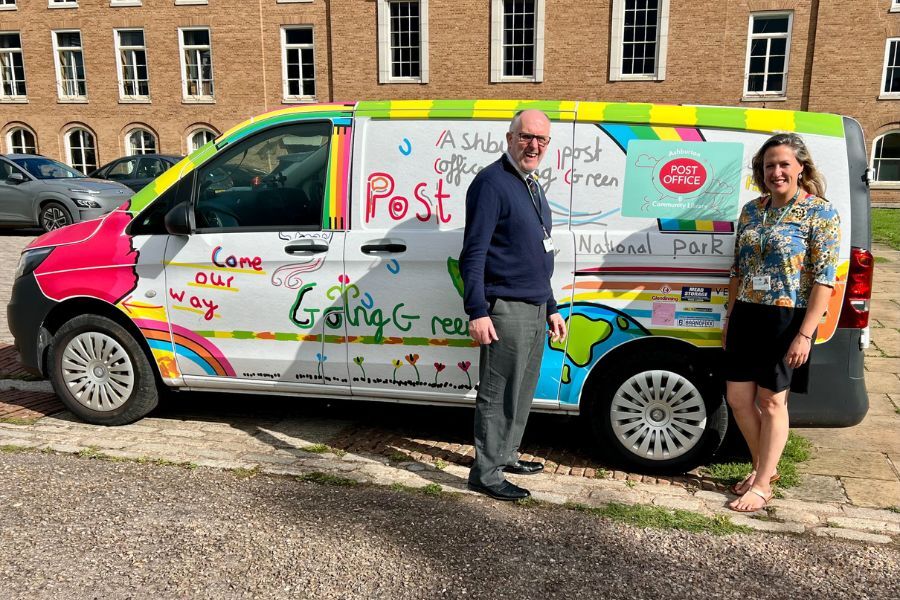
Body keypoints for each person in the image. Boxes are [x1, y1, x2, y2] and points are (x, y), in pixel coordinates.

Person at [724, 133, 840, 512]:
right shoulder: (751, 211)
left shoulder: (821, 213)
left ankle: (762, 482)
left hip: (786, 316)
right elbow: (738, 269)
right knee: (738, 398)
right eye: (769, 165)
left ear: (800, 168)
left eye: (784, 164)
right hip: (746, 312)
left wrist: (805, 334)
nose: (776, 171)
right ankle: (763, 469)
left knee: (772, 401)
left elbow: (826, 278)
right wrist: (729, 317)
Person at [458, 109, 567, 501]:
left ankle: (505, 455)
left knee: (522, 390)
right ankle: (485, 473)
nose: (533, 145)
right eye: (526, 137)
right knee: (499, 390)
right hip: (505, 308)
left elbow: (536, 253)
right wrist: (477, 310)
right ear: (509, 138)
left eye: (541, 140)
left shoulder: (531, 184)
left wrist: (551, 305)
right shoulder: (491, 183)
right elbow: (473, 254)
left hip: (536, 306)